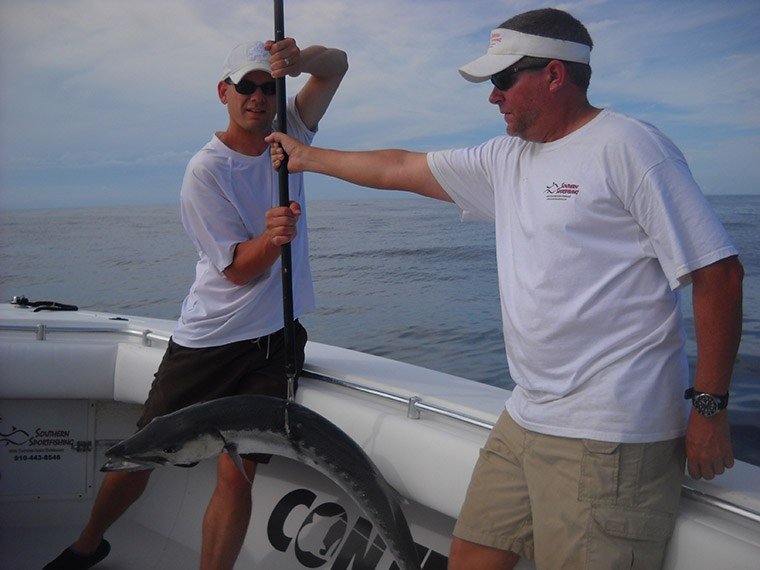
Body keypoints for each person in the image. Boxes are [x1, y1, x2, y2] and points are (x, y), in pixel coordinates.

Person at [267, 7, 743, 569]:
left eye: (502, 79)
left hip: (610, 434)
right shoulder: (506, 157)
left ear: (555, 74)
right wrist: (307, 157)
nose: (493, 97)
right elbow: (400, 167)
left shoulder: (630, 148)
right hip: (525, 416)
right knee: (470, 557)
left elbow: (718, 274)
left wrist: (709, 409)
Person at [44, 37, 347, 570]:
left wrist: (302, 60)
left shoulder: (291, 135)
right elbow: (237, 270)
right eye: (246, 86)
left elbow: (337, 66)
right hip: (211, 340)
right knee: (142, 452)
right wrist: (273, 238)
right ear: (223, 92)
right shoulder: (205, 170)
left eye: (268, 87)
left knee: (238, 472)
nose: (258, 97)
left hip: (275, 340)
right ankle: (88, 543)